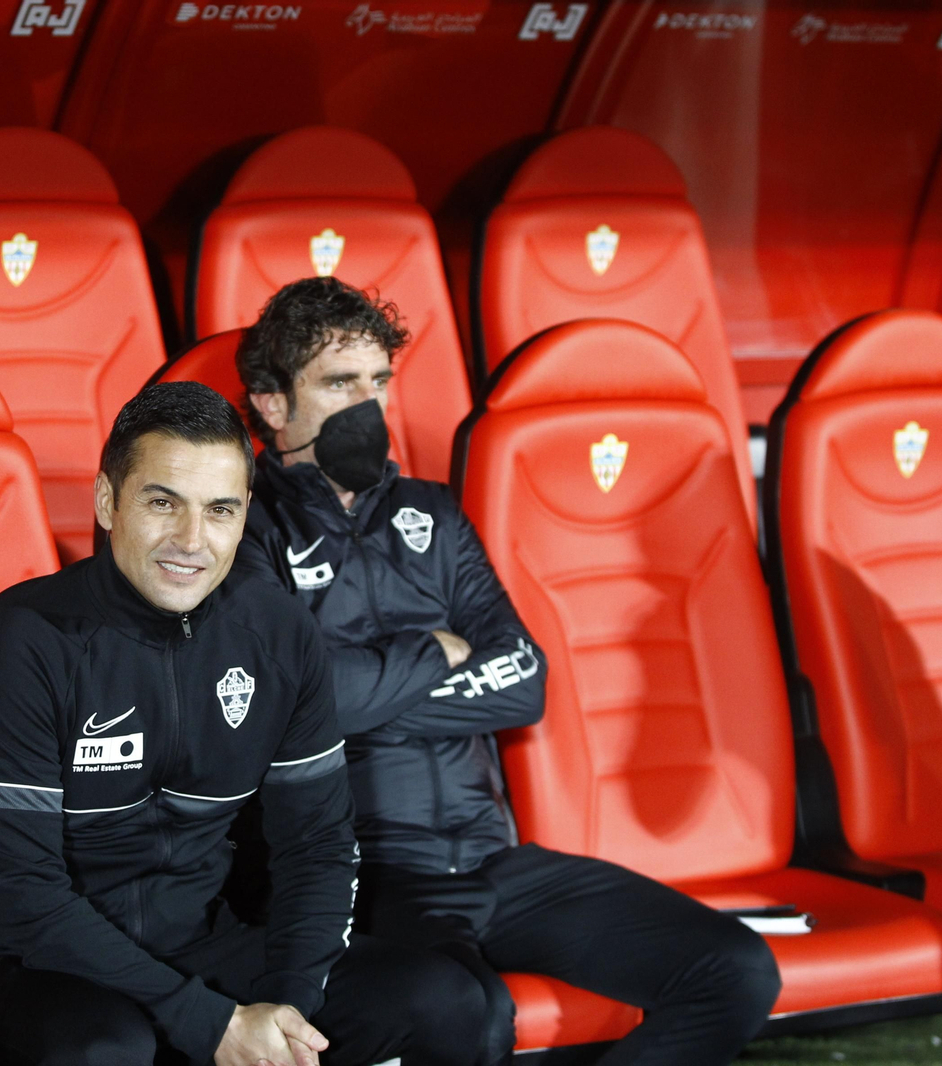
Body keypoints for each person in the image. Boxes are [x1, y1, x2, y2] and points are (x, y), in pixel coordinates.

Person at [231, 277, 783, 1066]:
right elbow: (290, 709)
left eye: (380, 381)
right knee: (474, 1016)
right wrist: (437, 652)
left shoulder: (437, 514)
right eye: (340, 383)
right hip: (369, 875)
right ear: (274, 404)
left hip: (494, 859)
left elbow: (524, 681)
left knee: (733, 968)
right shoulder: (246, 528)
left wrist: (359, 693)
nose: (369, 403)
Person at [0, 381, 490, 1066]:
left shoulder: (277, 632)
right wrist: (211, 1024)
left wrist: (286, 1010)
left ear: (245, 512)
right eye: (163, 502)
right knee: (110, 1050)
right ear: (108, 501)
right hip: (21, 965)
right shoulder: (25, 636)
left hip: (200, 946)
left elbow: (316, 846)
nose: (191, 541)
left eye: (220, 510)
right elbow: (22, 895)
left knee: (445, 1000)